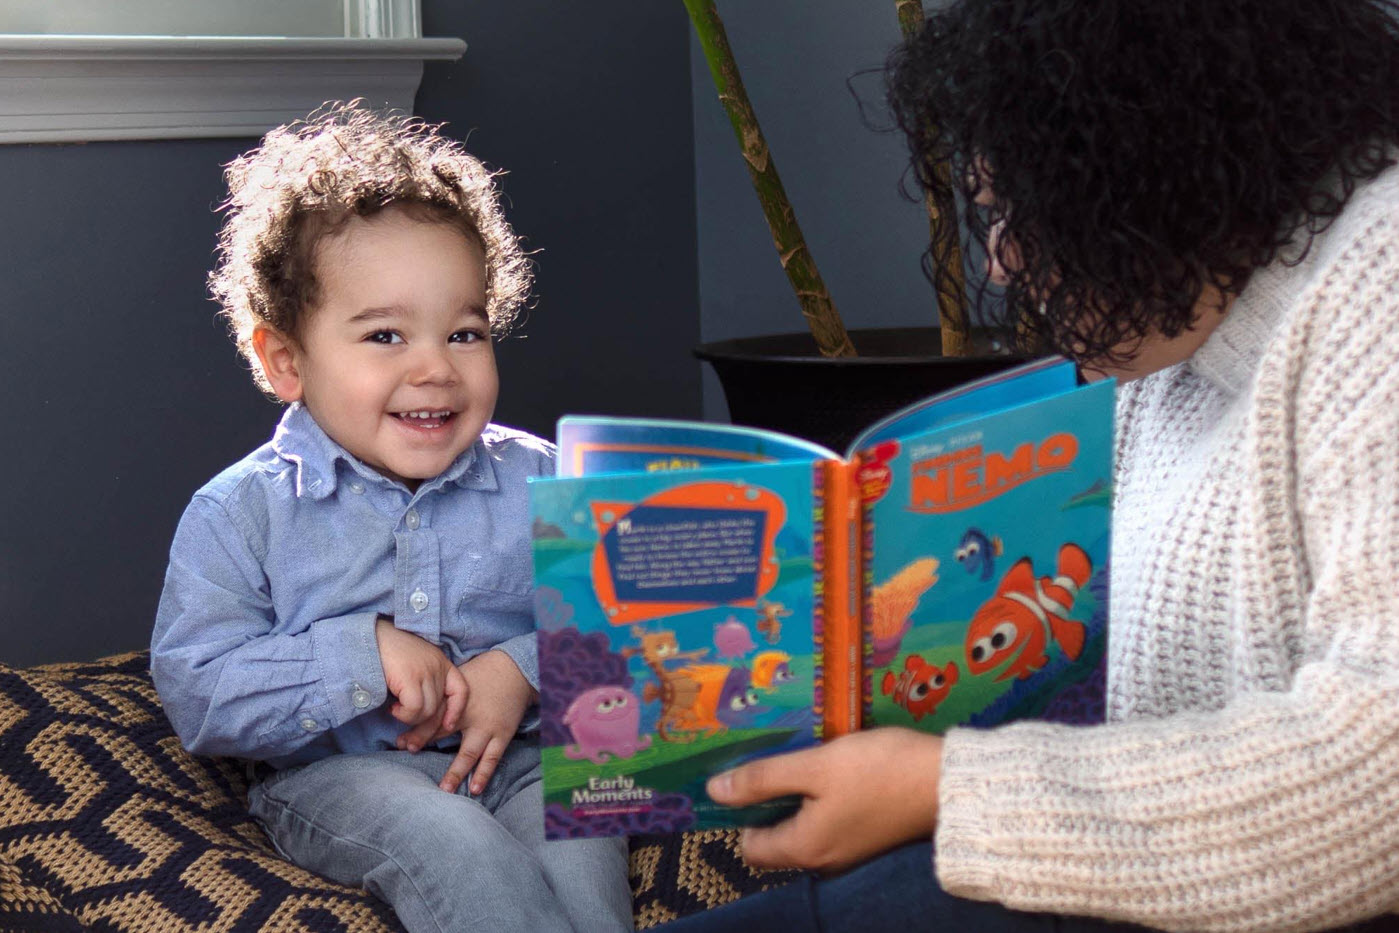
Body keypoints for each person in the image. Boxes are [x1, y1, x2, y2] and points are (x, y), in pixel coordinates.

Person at [660, 1, 1399, 931]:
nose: (1001, 262)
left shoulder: (1381, 283)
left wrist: (952, 788)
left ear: (1151, 168)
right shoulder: (1173, 349)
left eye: (1014, 207)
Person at [150, 102, 632, 933]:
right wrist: (359, 651)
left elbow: (622, 631)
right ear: (286, 361)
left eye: (465, 332)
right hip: (342, 774)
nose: (435, 368)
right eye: (384, 335)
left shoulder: (546, 477)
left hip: (522, 757)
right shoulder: (242, 510)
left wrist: (521, 667)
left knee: (584, 849)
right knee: (454, 846)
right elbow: (198, 689)